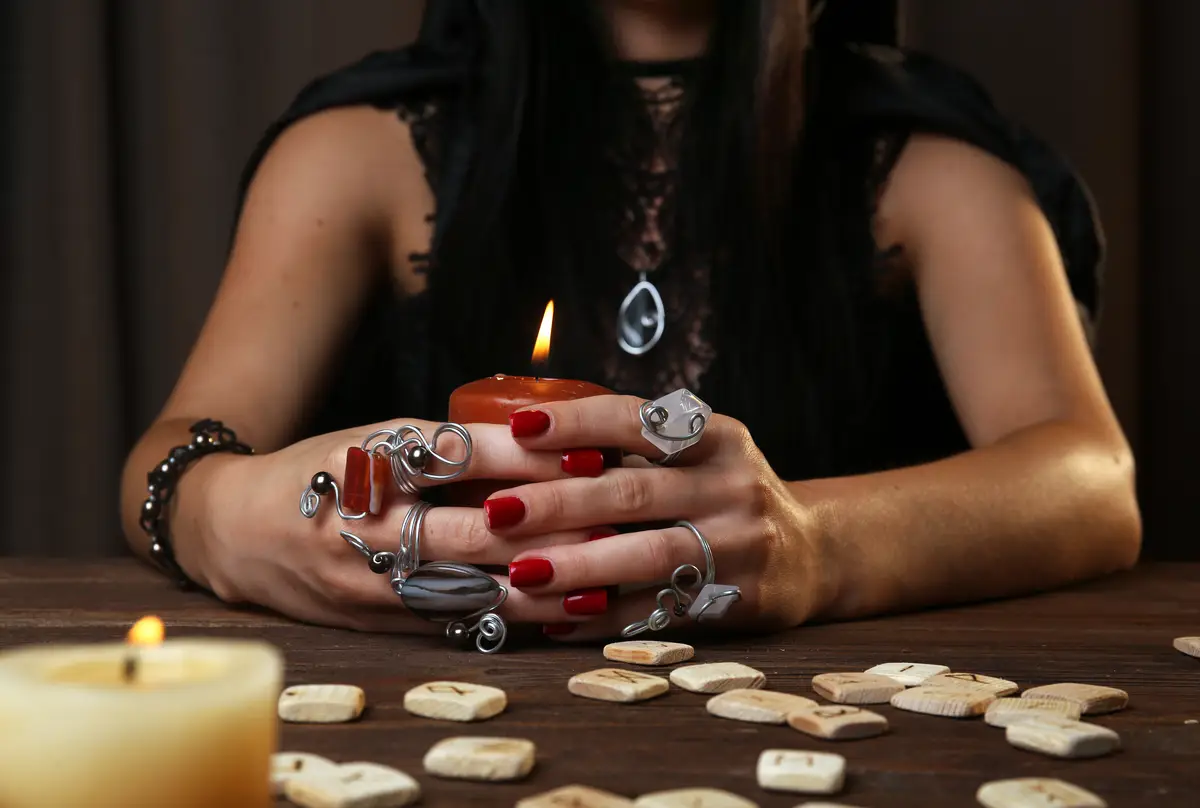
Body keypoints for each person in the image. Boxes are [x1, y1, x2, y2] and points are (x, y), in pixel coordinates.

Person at [119, 0, 1140, 646]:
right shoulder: (357, 152)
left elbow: (1093, 482)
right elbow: (172, 450)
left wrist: (815, 545)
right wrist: (223, 517)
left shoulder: (928, 162)